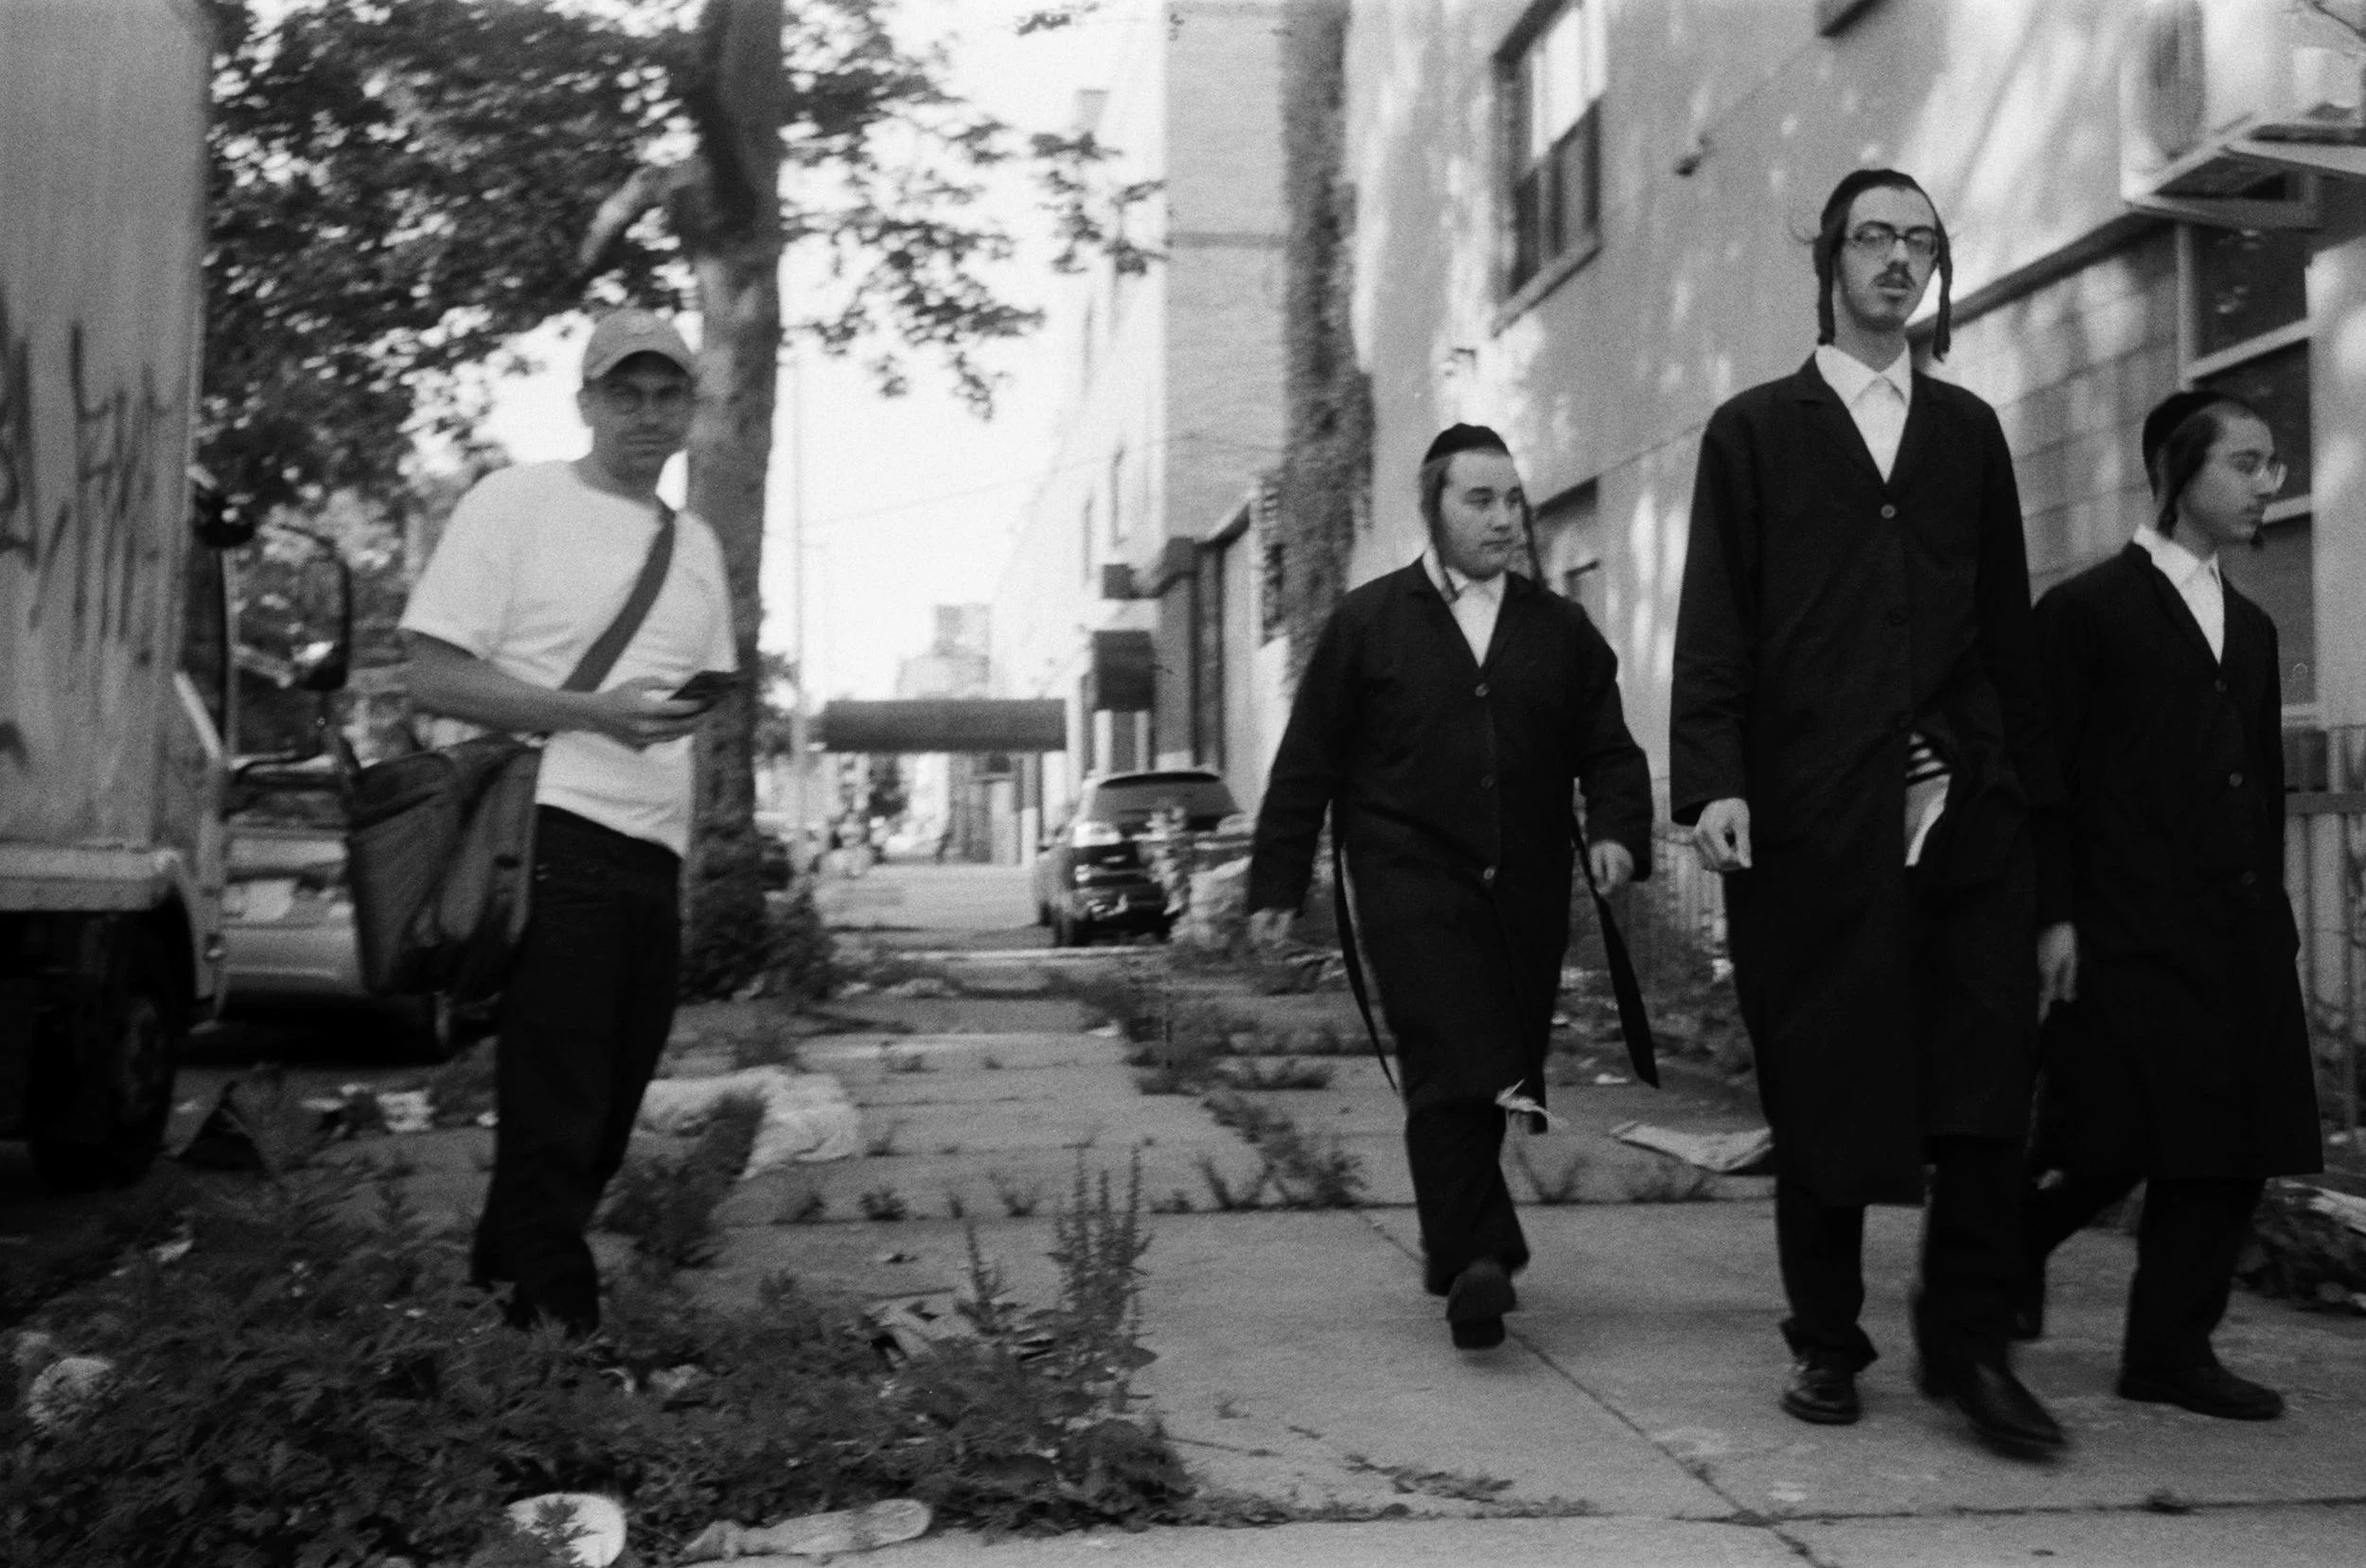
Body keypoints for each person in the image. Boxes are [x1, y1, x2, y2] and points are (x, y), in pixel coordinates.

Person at [1669, 169, 2065, 1453]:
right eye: (1874, 236)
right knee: (1825, 1078)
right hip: (1813, 822)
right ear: (1830, 260)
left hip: (1968, 814)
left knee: (1987, 1086)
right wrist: (1715, 779)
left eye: (1921, 241)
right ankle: (1827, 1340)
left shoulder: (1967, 432)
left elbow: (2007, 634)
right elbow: (1715, 621)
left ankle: (1969, 1348)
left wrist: (2039, 841)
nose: (1899, 258)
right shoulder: (1754, 431)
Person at [1246, 423, 1653, 1350]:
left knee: (1494, 1065)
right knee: (1444, 1054)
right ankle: (1479, 1255)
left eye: (1513, 499)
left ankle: (1468, 1251)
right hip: (1407, 882)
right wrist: (1276, 881)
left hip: (1526, 893)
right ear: (1433, 507)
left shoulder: (1560, 630)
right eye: (1481, 499)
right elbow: (1307, 760)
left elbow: (1608, 748)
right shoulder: (1367, 623)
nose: (1505, 518)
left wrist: (1618, 832)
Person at [401, 308, 737, 1334]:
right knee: (560, 1108)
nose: (646, 413)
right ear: (585, 402)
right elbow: (431, 674)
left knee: (606, 1112)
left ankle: (500, 1321)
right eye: (624, 393)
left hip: (651, 855)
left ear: (691, 410)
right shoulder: (516, 503)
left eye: (667, 395)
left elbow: (695, 701)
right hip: (552, 835)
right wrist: (592, 712)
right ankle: (561, 1349)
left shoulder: (694, 543)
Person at [2021, 389, 2322, 1419]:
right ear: (2175, 470)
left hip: (2236, 934)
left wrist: (2273, 922)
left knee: (2233, 1148)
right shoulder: (2085, 611)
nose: (2267, 483)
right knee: (2105, 1142)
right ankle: (2005, 1249)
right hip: (2125, 927)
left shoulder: (2254, 628)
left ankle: (2168, 1351)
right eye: (2246, 461)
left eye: (2273, 464)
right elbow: (2044, 777)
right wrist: (2052, 915)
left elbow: (2260, 787)